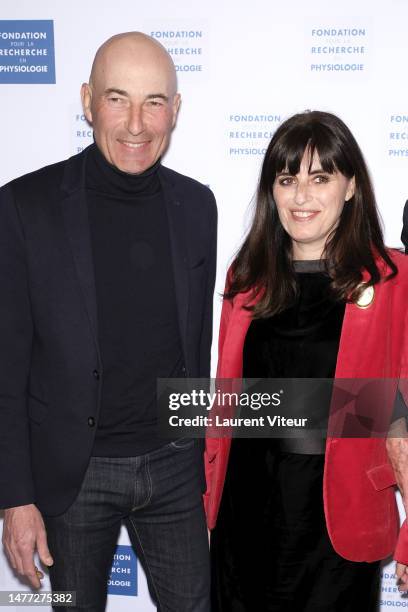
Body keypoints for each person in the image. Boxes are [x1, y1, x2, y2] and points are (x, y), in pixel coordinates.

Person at [0, 32, 217, 611]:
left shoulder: (198, 206)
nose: (137, 125)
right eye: (117, 99)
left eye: (154, 102)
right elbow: (7, 363)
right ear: (86, 100)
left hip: (174, 468)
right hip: (73, 478)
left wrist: (199, 463)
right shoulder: (26, 206)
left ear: (176, 109)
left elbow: (198, 348)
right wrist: (16, 498)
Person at [204, 110, 408, 611]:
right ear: (271, 190)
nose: (301, 196)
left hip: (336, 525)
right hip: (242, 519)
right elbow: (225, 409)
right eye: (287, 178)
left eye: (321, 178)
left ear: (351, 186)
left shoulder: (391, 279)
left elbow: (398, 414)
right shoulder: (245, 279)